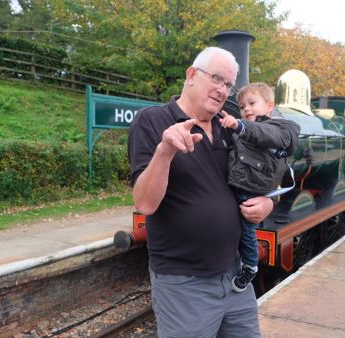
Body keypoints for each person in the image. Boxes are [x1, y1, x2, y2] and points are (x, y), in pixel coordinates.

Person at [128, 47, 273, 338]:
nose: (223, 90)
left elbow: (265, 174)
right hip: (184, 284)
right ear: (192, 75)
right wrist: (165, 151)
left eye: (228, 85)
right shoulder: (152, 121)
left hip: (236, 277)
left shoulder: (230, 127)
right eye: (217, 79)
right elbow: (144, 203)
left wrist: (269, 203)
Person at [218, 83, 299, 292]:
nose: (247, 110)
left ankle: (251, 265)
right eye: (243, 106)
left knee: (247, 229)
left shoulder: (281, 127)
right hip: (237, 185)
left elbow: (265, 134)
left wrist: (239, 125)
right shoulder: (243, 128)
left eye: (252, 103)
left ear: (269, 106)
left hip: (251, 189)